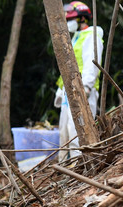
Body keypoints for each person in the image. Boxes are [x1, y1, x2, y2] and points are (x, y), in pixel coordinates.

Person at [54, 1, 103, 160]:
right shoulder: (75, 37)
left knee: (78, 133)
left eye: (71, 19)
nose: (68, 23)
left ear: (82, 19)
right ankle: (65, 168)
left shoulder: (91, 35)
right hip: (69, 92)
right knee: (65, 132)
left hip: (83, 91)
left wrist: (86, 87)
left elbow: (91, 63)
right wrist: (60, 92)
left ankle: (79, 168)